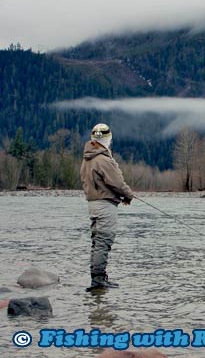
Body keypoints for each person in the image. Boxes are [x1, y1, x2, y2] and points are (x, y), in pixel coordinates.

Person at [80, 123, 134, 291]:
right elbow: (117, 182)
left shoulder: (87, 159)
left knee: (97, 242)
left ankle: (98, 278)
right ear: (107, 139)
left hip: (93, 204)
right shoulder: (102, 159)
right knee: (104, 242)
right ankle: (98, 282)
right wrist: (128, 195)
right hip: (105, 205)